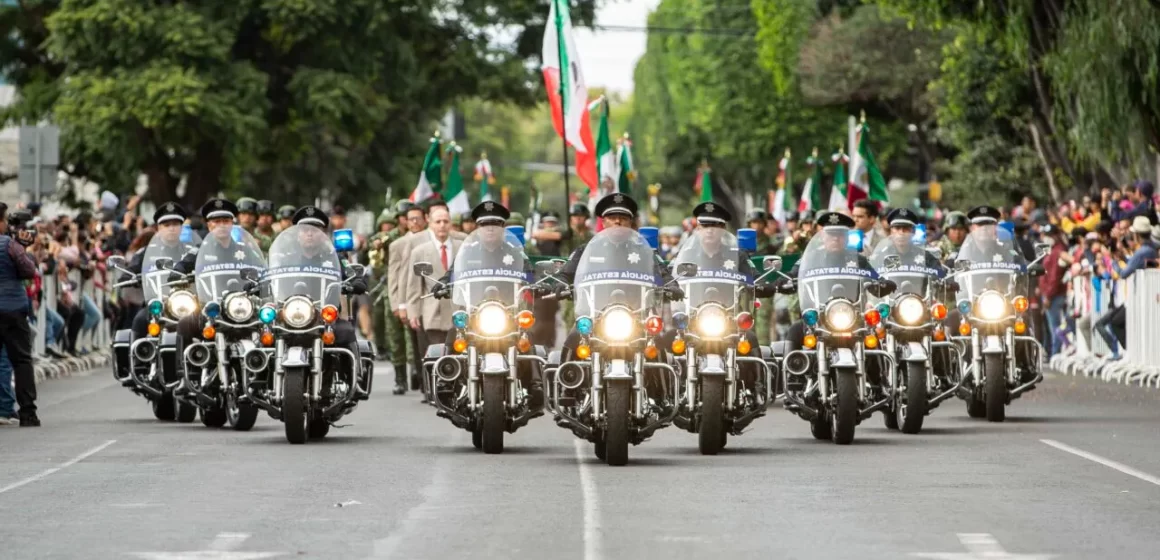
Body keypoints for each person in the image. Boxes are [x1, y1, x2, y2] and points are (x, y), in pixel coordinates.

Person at [555, 193, 681, 358]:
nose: (617, 221)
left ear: (630, 222)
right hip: (596, 314)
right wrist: (560, 283)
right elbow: (565, 273)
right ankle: (566, 381)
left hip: (637, 315)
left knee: (656, 344)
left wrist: (671, 285)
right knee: (573, 338)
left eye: (623, 217)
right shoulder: (587, 249)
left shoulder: (645, 251)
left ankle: (665, 382)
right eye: (612, 217)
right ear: (604, 221)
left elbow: (663, 273)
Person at [174, 200, 265, 352]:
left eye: (225, 221)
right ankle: (185, 371)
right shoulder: (200, 251)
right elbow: (181, 266)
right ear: (209, 225)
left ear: (232, 224)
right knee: (184, 324)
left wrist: (259, 281)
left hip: (242, 307)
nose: (221, 225)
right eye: (216, 221)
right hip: (209, 307)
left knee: (269, 323)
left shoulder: (245, 250)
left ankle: (264, 366)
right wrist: (177, 274)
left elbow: (263, 270)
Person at [403, 205, 462, 388]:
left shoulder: (464, 246)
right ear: (430, 223)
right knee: (434, 352)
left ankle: (456, 387)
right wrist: (413, 312)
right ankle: (432, 388)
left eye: (445, 221)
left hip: (459, 310)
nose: (442, 225)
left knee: (457, 351)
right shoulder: (420, 251)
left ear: (451, 223)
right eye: (438, 222)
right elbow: (414, 285)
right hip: (432, 311)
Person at [127, 203, 199, 343]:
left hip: (186, 305)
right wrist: (129, 275)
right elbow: (133, 267)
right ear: (158, 228)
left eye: (175, 224)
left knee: (206, 324)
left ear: (181, 227)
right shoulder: (146, 252)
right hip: (156, 305)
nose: (171, 229)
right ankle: (138, 362)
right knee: (140, 320)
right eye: (166, 225)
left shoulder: (192, 251)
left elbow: (205, 266)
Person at [0, 202, 41, 426]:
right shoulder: (10, 245)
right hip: (13, 310)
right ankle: (28, 412)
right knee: (21, 361)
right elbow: (28, 270)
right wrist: (25, 250)